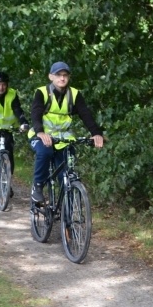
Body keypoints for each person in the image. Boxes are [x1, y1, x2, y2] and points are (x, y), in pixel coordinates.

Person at [28, 61, 104, 204]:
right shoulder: (42, 92)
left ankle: (66, 214)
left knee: (66, 173)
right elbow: (36, 112)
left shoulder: (74, 94)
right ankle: (37, 187)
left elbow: (85, 114)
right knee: (45, 152)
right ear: (51, 76)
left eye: (65, 75)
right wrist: (40, 132)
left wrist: (96, 133)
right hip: (41, 135)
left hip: (63, 138)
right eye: (58, 75)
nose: (62, 78)